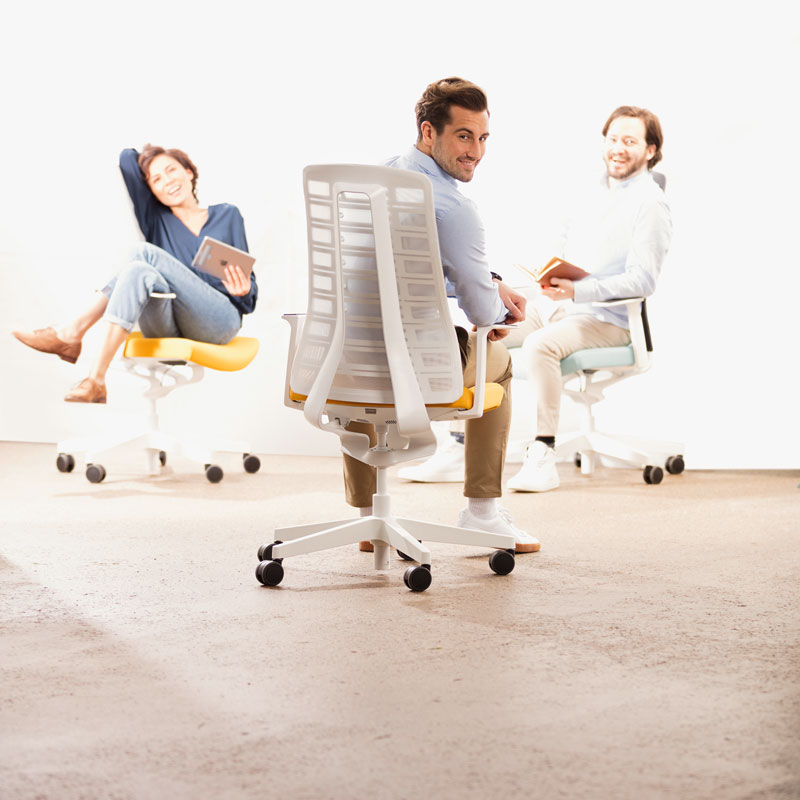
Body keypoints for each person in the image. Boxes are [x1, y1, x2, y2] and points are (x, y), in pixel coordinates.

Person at [348, 77, 540, 554]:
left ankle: (369, 519)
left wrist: (488, 280)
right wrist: (496, 307)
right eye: (464, 136)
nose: (476, 151)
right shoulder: (454, 207)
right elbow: (481, 312)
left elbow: (402, 268)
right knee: (500, 364)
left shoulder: (376, 178)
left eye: (483, 138)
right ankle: (482, 514)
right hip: (414, 368)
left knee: (364, 349)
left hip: (343, 361)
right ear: (428, 131)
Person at [505, 105, 672, 492]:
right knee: (488, 329)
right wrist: (548, 277)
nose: (618, 148)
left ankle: (543, 452)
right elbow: (562, 245)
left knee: (540, 345)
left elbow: (643, 280)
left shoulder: (650, 203)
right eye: (612, 139)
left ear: (650, 150)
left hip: (609, 321)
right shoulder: (589, 192)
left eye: (630, 141)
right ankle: (459, 442)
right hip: (561, 307)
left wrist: (579, 290)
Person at [12, 145, 257, 403]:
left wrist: (244, 291)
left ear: (189, 172)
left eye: (171, 170)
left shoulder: (227, 214)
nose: (167, 181)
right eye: (156, 179)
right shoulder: (155, 218)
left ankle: (71, 333)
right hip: (166, 323)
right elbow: (127, 158)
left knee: (142, 253)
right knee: (137, 270)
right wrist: (151, 156)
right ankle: (96, 381)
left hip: (218, 322)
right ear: (151, 190)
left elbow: (249, 293)